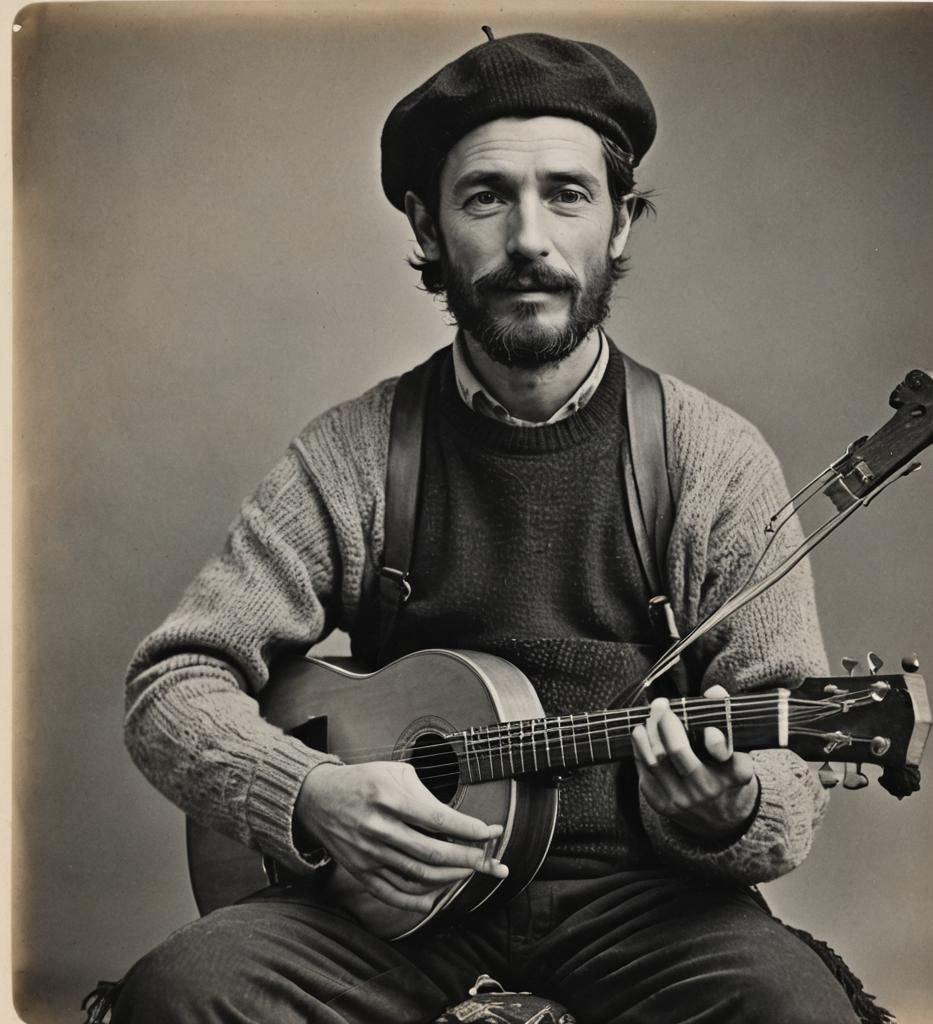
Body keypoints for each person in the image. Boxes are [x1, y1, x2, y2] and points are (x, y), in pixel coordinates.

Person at [111, 30, 867, 1024]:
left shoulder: (712, 460)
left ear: (620, 224)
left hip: (646, 909)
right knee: (179, 994)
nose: (528, 241)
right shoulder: (354, 454)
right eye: (485, 198)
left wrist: (735, 808)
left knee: (795, 1010)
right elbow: (173, 683)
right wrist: (308, 793)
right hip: (389, 910)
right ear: (427, 225)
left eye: (567, 194)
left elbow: (792, 758)